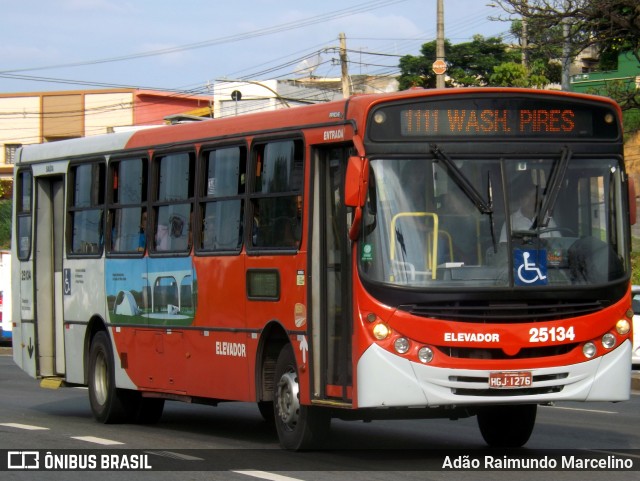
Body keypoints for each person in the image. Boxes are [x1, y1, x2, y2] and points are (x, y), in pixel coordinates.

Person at [499, 177, 559, 242]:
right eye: (527, 197)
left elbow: (559, 243)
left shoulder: (547, 219)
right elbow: (503, 248)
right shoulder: (511, 222)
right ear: (521, 200)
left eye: (534, 197)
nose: (531, 201)